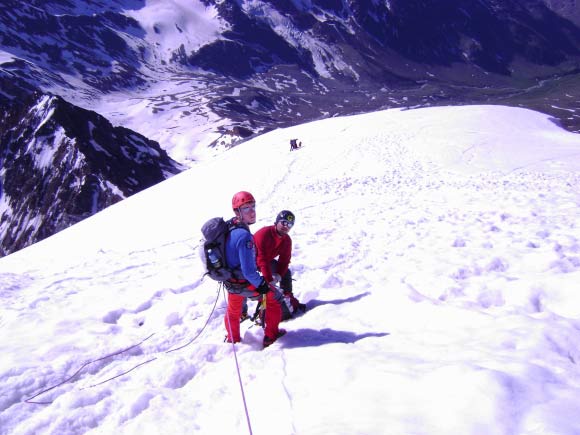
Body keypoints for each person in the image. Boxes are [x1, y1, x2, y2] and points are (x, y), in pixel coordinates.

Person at [223, 191, 286, 348]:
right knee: (274, 300)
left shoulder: (230, 228)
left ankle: (233, 338)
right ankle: (271, 336)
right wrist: (263, 285)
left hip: (231, 283)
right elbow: (249, 272)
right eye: (246, 208)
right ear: (237, 212)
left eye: (253, 206)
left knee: (232, 311)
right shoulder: (244, 237)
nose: (252, 211)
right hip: (244, 282)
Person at [254, 210, 306, 320]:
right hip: (250, 261)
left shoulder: (287, 240)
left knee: (286, 272)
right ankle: (245, 312)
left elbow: (284, 261)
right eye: (283, 222)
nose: (286, 226)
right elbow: (261, 259)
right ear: (277, 221)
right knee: (256, 284)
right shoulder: (263, 234)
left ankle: (288, 297)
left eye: (289, 224)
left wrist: (278, 275)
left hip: (266, 261)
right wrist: (269, 279)